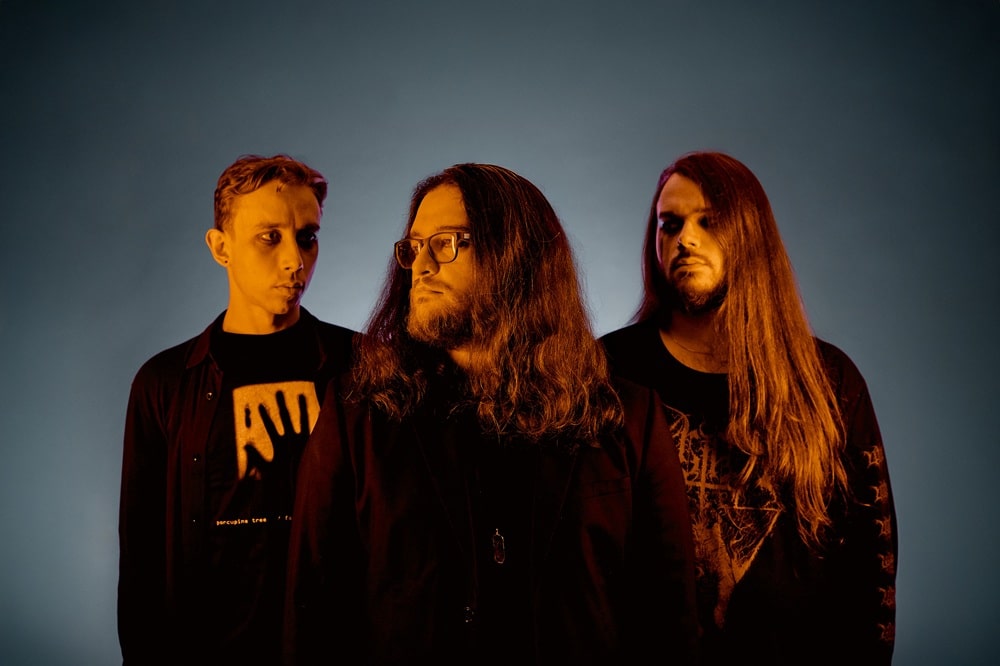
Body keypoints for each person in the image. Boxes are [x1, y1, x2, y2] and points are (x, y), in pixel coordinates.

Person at [284, 163, 699, 665]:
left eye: (446, 243)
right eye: (414, 247)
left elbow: (669, 621)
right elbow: (313, 614)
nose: (421, 266)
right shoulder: (357, 414)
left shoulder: (629, 416)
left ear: (517, 256)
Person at [600, 151, 898, 665]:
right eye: (670, 224)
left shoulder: (828, 380)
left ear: (750, 235)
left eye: (708, 222)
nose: (685, 239)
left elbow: (872, 567)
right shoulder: (608, 370)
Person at [118, 154, 357, 665]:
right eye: (270, 237)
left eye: (307, 237)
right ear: (221, 247)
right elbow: (141, 558)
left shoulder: (363, 367)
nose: (295, 260)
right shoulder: (165, 383)